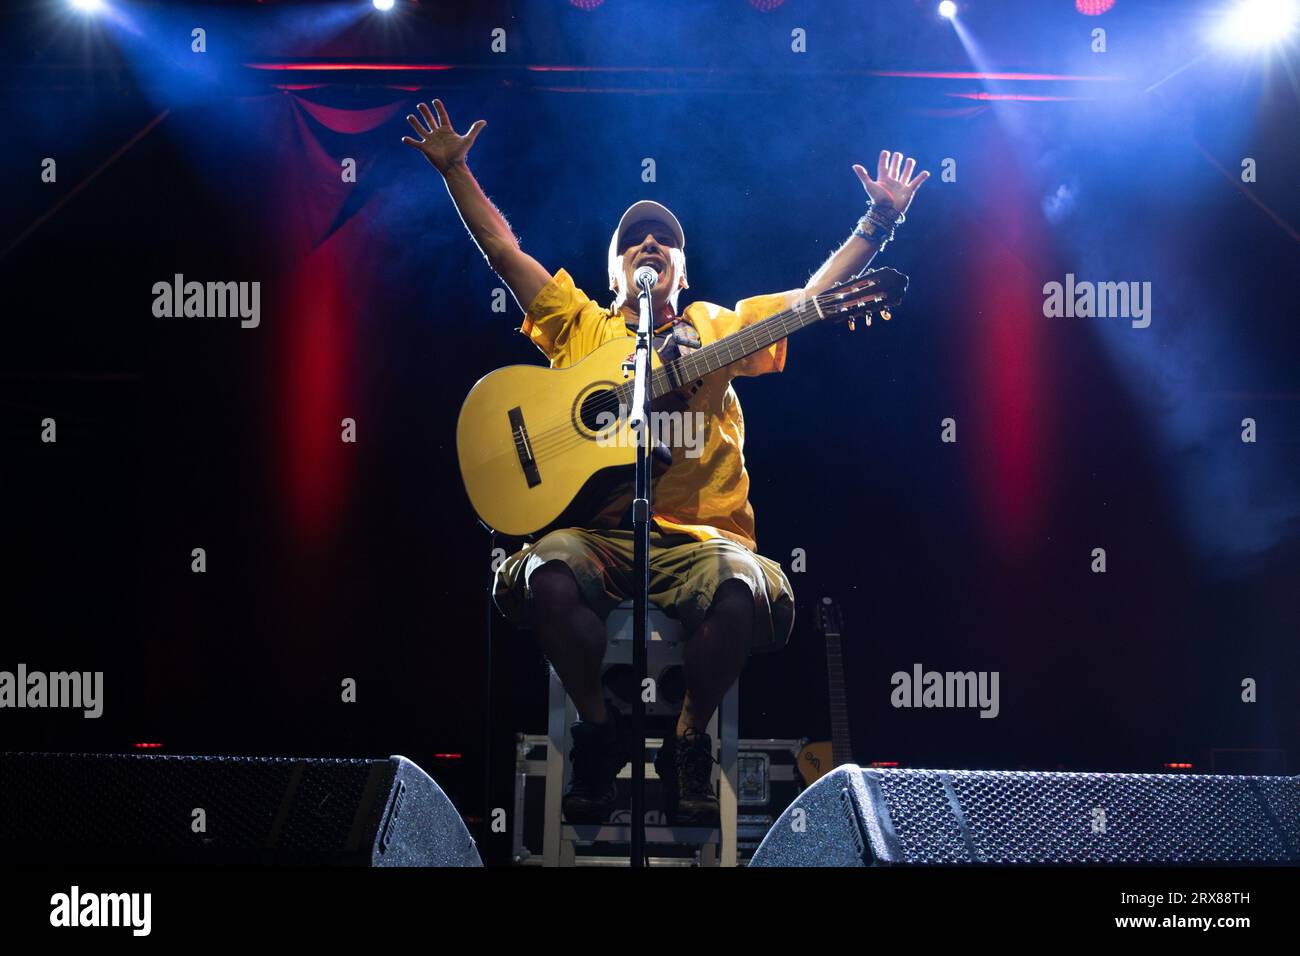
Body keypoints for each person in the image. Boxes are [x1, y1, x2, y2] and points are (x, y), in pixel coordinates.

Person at [404, 99, 928, 827]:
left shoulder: (717, 329)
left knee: (740, 585)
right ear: (615, 270)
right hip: (601, 541)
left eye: (665, 242)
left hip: (701, 541)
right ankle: (597, 733)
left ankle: (687, 741)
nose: (649, 245)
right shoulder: (582, 327)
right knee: (547, 575)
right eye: (633, 242)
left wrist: (877, 224)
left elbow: (812, 300)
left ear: (682, 268)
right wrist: (457, 169)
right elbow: (505, 255)